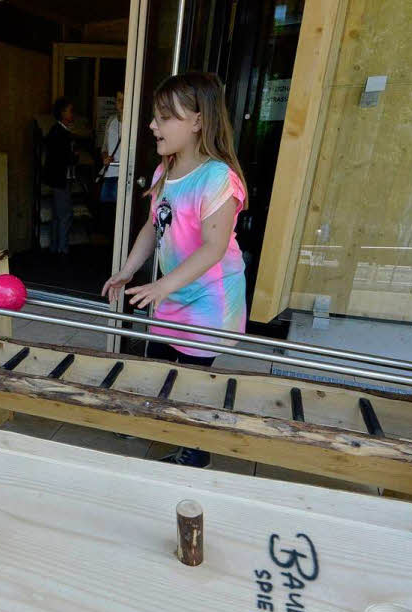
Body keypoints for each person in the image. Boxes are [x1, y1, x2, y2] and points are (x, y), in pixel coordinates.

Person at [101, 72, 247, 468]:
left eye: (165, 117)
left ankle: (195, 451)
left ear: (198, 121)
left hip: (208, 298)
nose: (153, 125)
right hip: (173, 290)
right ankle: (161, 424)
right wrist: (129, 270)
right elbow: (154, 224)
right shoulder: (166, 170)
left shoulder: (218, 178)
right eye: (155, 116)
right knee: (165, 362)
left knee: (195, 378)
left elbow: (215, 247)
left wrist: (162, 285)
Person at [43, 98, 77, 257]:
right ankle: (62, 249)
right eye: (70, 110)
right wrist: (74, 157)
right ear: (63, 113)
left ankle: (55, 248)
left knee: (58, 215)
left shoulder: (55, 131)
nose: (72, 114)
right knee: (65, 215)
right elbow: (64, 158)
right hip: (61, 178)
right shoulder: (61, 133)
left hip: (57, 178)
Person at [100, 92, 124, 205]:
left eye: (125, 100)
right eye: (119, 100)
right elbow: (104, 148)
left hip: (123, 175)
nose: (122, 104)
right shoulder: (111, 121)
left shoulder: (134, 124)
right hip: (109, 174)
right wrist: (105, 158)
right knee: (106, 211)